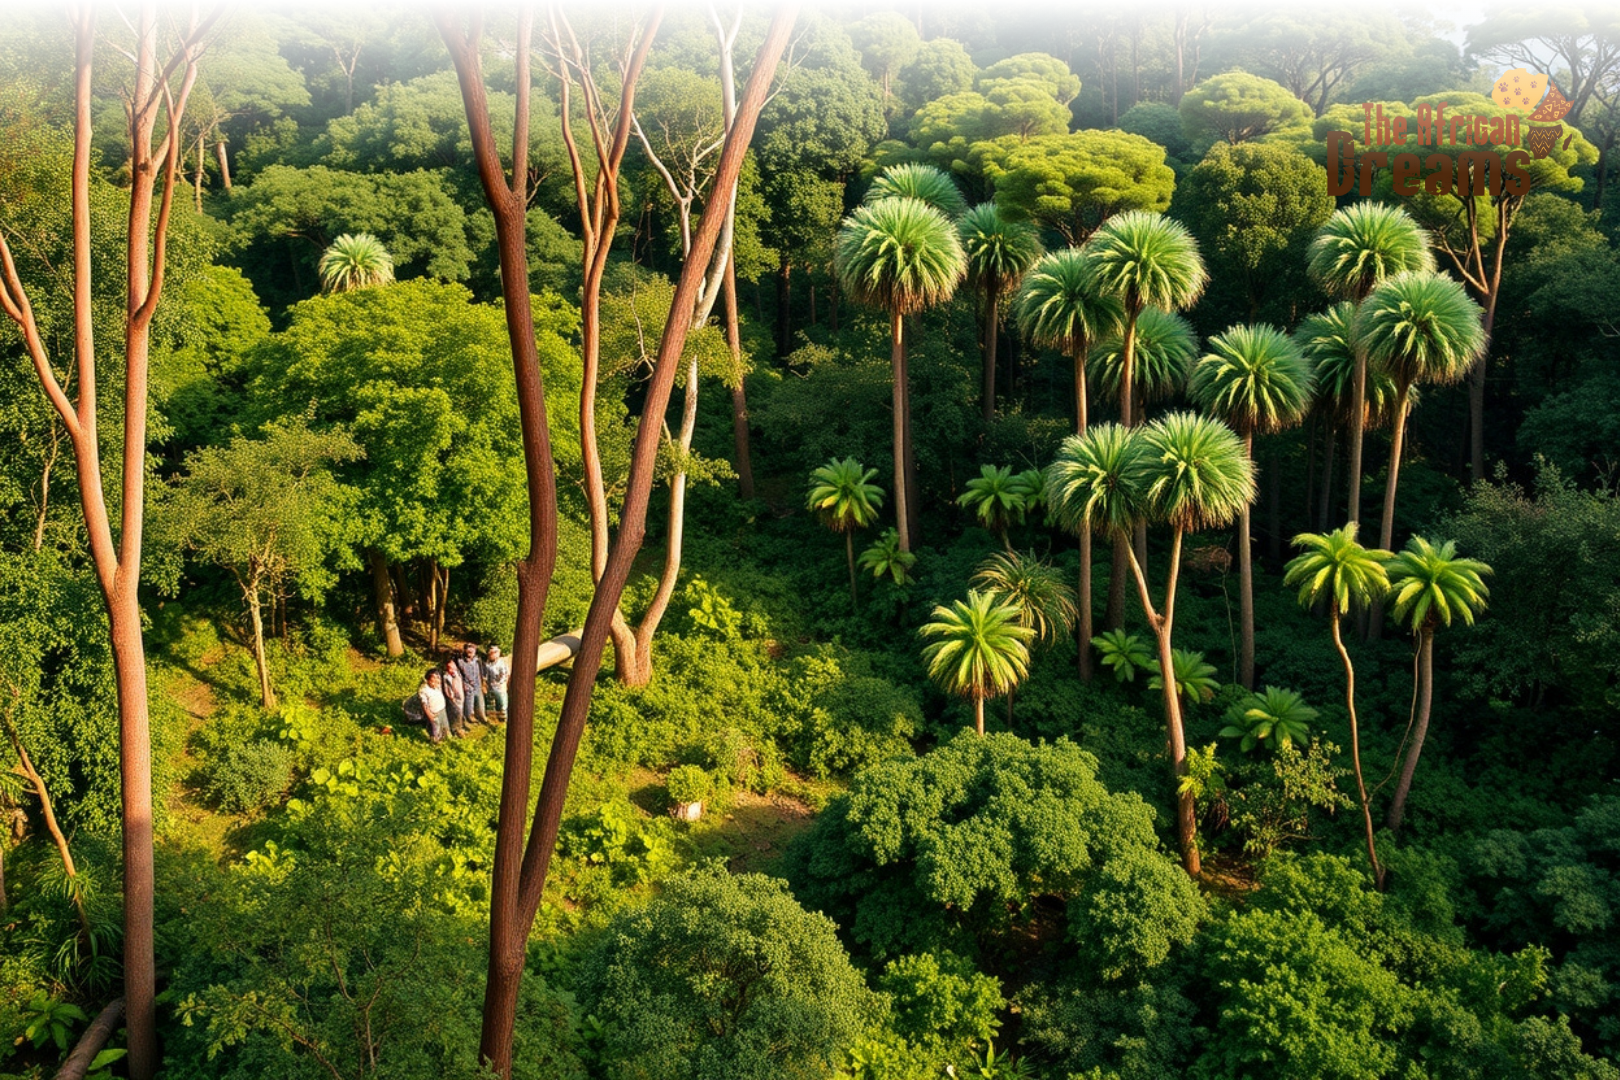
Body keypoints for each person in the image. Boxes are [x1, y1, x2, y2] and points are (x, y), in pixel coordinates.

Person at [455, 642, 487, 726]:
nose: (470, 654)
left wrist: (483, 684)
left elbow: (482, 672)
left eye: (472, 651)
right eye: (468, 651)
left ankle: (482, 716)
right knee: (469, 702)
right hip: (468, 685)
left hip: (478, 684)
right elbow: (458, 675)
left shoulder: (478, 660)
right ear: (465, 651)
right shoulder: (460, 661)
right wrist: (463, 685)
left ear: (475, 651)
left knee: (480, 702)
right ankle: (469, 717)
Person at [418, 669, 448, 744]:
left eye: (437, 678)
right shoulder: (423, 690)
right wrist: (430, 715)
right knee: (435, 729)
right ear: (428, 680)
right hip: (433, 713)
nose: (436, 680)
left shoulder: (436, 685)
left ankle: (443, 738)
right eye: (433, 679)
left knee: (443, 726)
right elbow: (424, 704)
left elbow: (439, 681)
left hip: (442, 709)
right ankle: (435, 742)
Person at [485, 644, 510, 724]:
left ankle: (504, 720)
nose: (493, 654)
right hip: (490, 686)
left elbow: (505, 675)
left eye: (495, 652)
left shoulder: (501, 664)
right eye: (491, 652)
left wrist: (501, 684)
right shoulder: (488, 663)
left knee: (502, 704)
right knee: (492, 703)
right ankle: (495, 718)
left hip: (500, 686)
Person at [441, 658, 466, 738]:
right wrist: (452, 698)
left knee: (460, 713)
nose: (452, 669)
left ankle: (460, 727)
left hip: (461, 697)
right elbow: (447, 689)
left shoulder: (457, 673)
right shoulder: (446, 677)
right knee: (455, 714)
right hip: (453, 699)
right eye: (450, 668)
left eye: (453, 667)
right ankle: (455, 730)